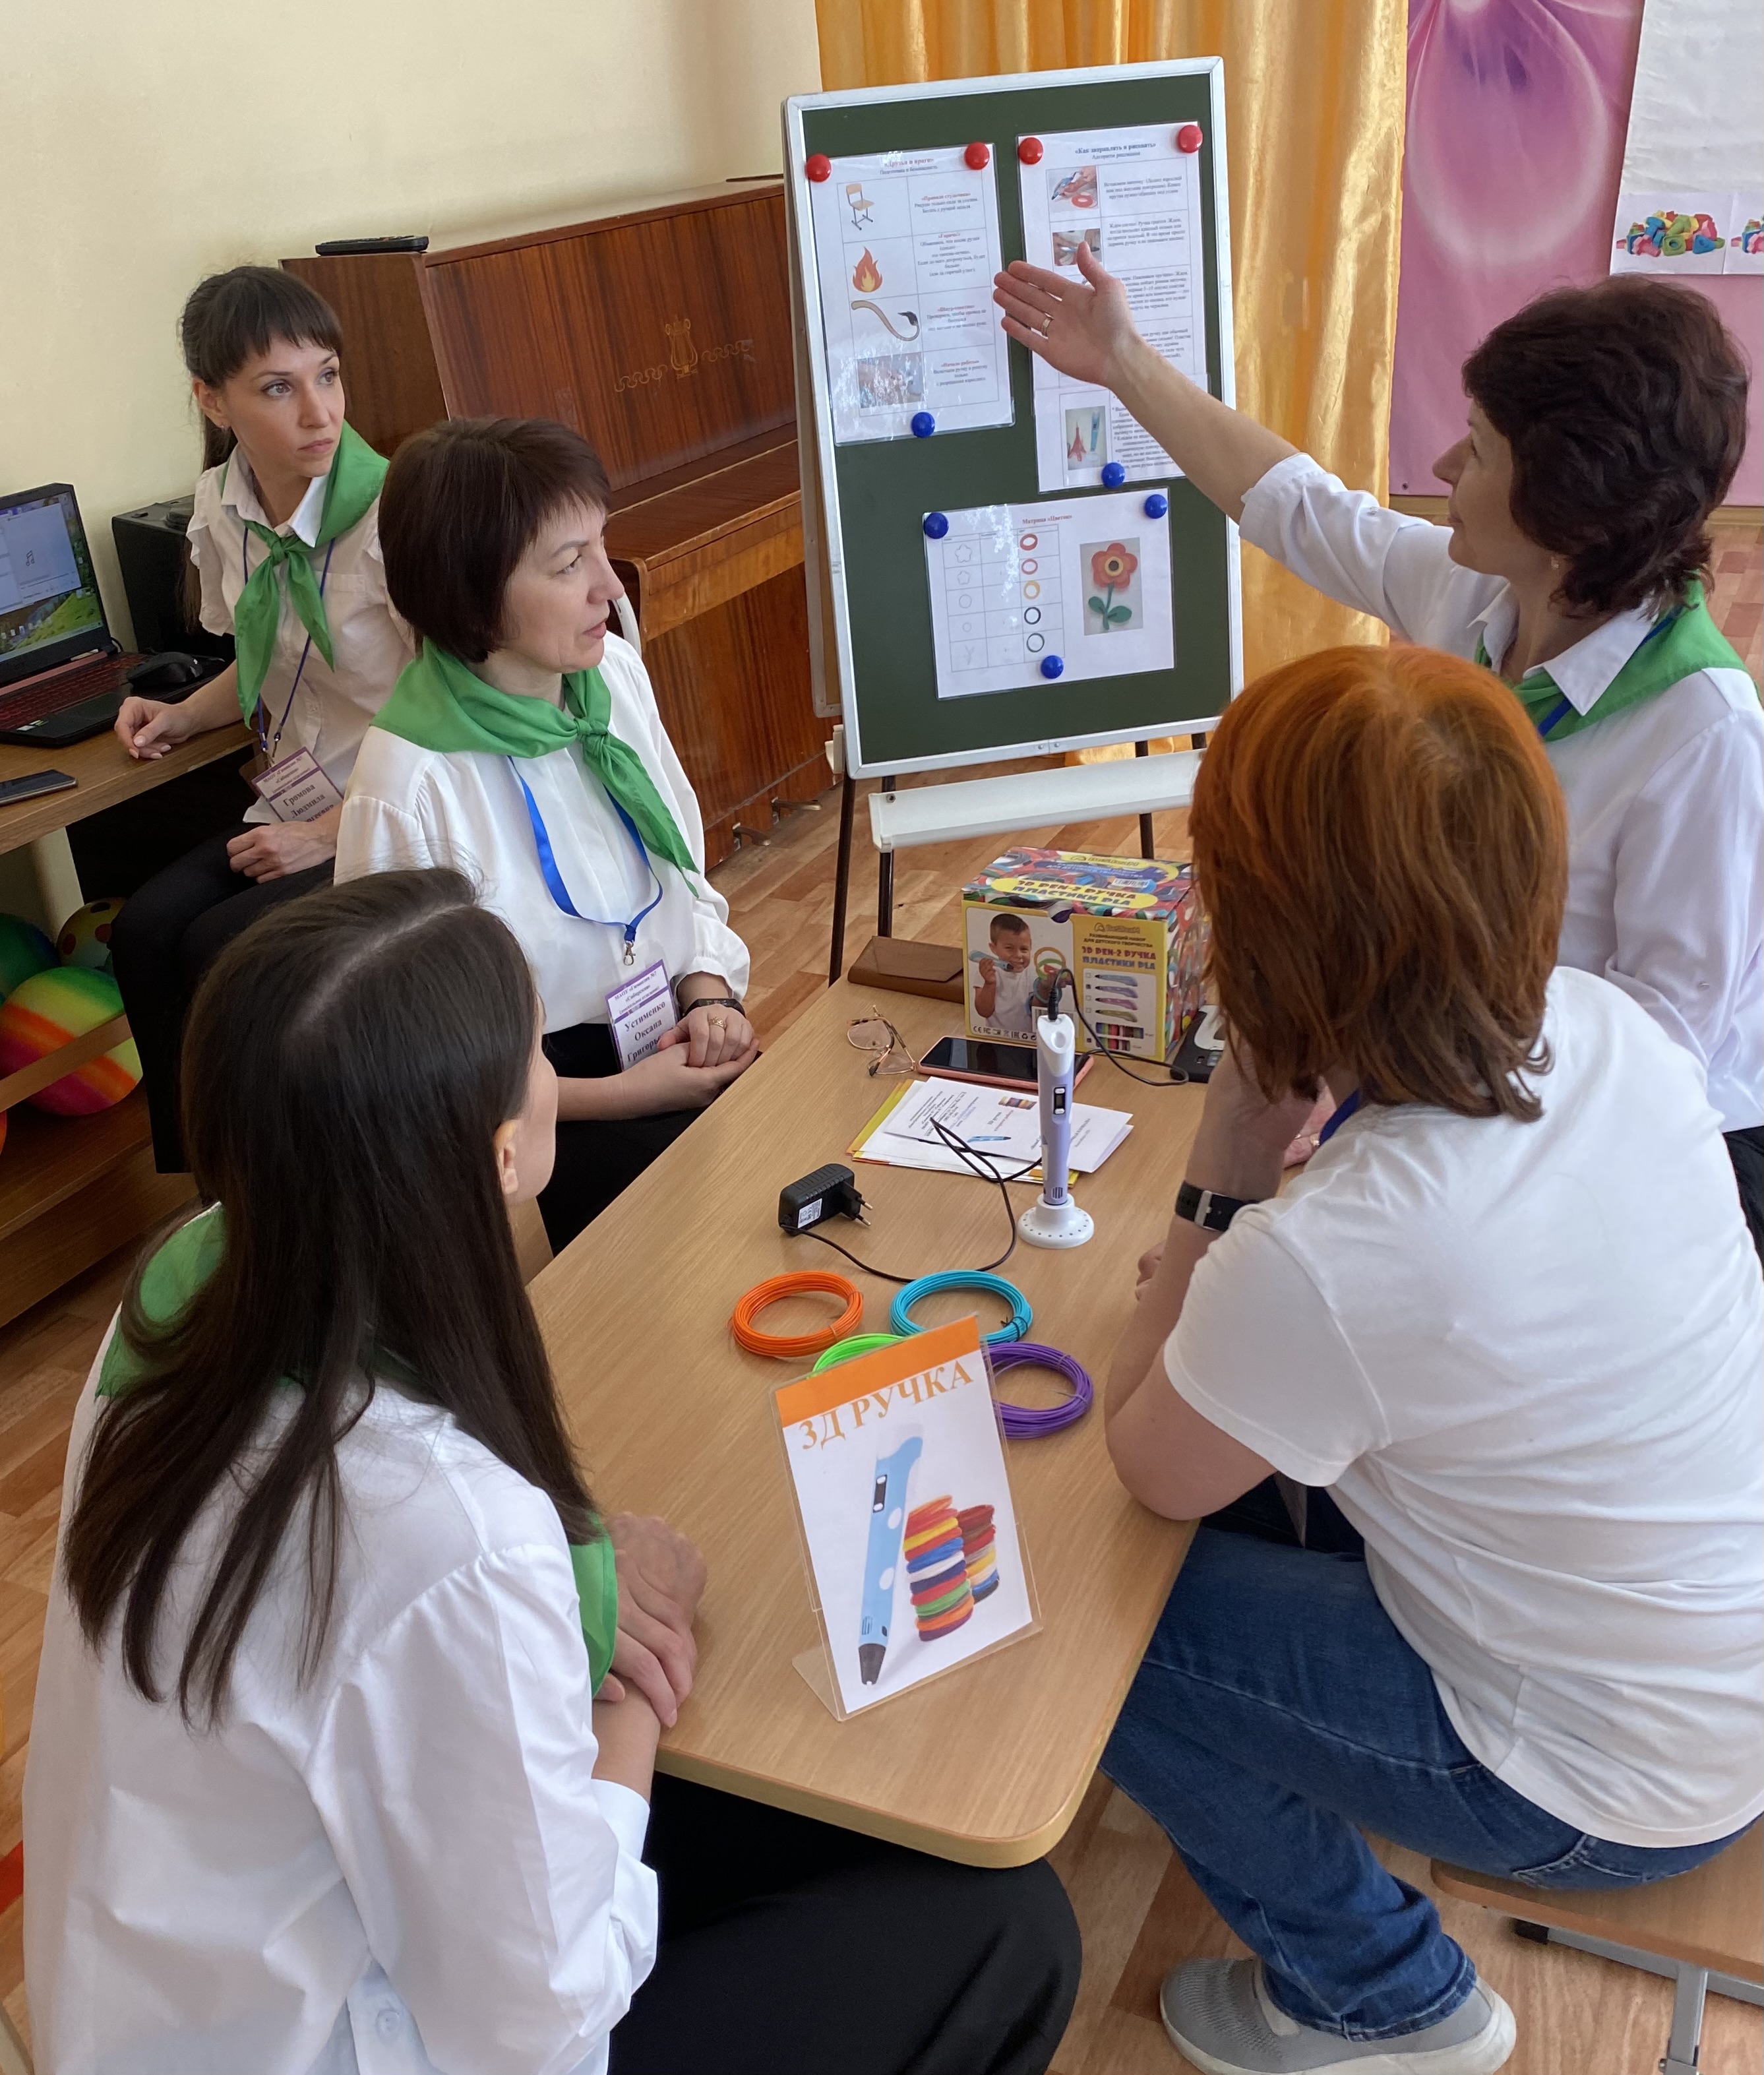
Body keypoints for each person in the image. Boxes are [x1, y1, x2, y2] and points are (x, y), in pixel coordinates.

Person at [24, 868, 1080, 2075]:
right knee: (1009, 1929)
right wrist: (624, 1699)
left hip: (156, 2010)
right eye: (535, 1049)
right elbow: (544, 2025)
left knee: (808, 1814)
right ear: (500, 1153)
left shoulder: (183, 1297)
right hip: (359, 2040)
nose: (547, 1072)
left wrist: (565, 1586)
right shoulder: (445, 1531)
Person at [1093, 644, 1763, 2075]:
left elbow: (1146, 1461)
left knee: (1104, 1640)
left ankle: (1381, 2001)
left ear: (1266, 935)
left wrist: (1219, 1178)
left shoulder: (1342, 1252)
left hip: (1599, 1790)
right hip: (1718, 1672)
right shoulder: (1611, 1029)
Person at [994, 249, 1764, 1257]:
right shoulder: (1481, 595)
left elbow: (1661, 1053)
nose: (1441, 468)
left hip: (1637, 1158)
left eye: (1476, 450)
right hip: (1453, 1083)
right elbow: (1297, 507)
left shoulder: (1700, 728)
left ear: (1565, 513)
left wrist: (1388, 1083)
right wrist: (1122, 360)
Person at [336, 417, 758, 1253]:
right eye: (569, 564)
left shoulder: (608, 677)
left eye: (602, 544)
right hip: (547, 1116)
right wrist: (627, 1095)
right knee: (715, 1250)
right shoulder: (407, 788)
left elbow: (684, 877)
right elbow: (416, 1072)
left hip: (668, 1028)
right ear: (472, 596)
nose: (609, 585)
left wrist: (707, 988)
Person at [107, 265, 411, 1171]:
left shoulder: (395, 516)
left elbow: (453, 710)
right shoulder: (222, 505)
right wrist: (183, 716)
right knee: (143, 930)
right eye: (278, 388)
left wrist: (326, 832)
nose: (320, 412)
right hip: (288, 806)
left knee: (220, 947)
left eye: (328, 375)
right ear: (212, 399)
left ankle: (286, 1188)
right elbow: (266, 657)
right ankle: (212, 1186)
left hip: (395, 813)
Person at [974, 912, 1039, 1036]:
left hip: (1028, 1040)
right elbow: (984, 1011)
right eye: (1009, 948)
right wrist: (989, 983)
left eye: (1024, 949)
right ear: (993, 948)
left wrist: (1047, 987)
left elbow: (1037, 1010)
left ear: (1031, 946)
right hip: (996, 1038)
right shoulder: (986, 972)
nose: (1018, 955)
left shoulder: (1032, 973)